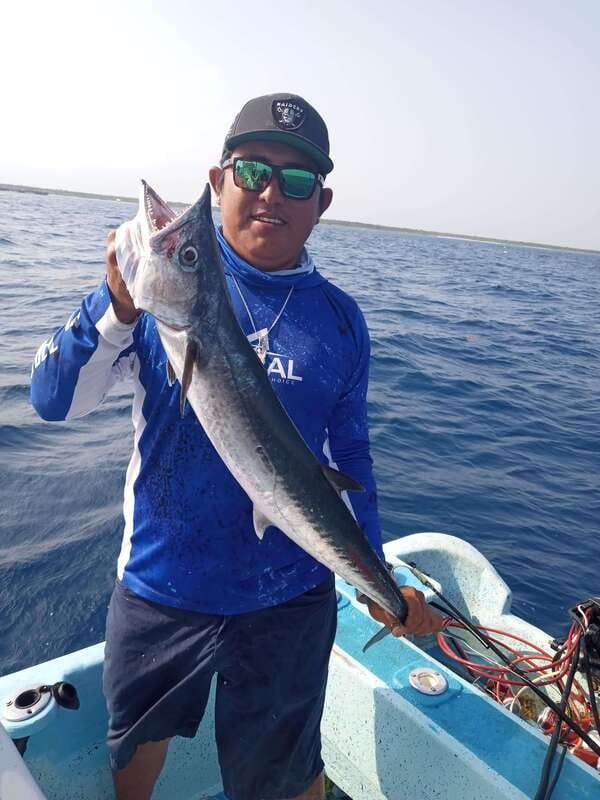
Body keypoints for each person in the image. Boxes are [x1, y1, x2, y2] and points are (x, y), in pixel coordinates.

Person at [31, 93, 444, 800]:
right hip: (165, 587)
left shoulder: (341, 322)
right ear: (218, 180)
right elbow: (52, 402)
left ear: (323, 201)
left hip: (291, 597)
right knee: (137, 752)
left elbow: (351, 461)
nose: (270, 194)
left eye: (297, 181)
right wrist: (115, 305)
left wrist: (376, 575)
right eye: (252, 171)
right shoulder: (153, 300)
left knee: (286, 776)